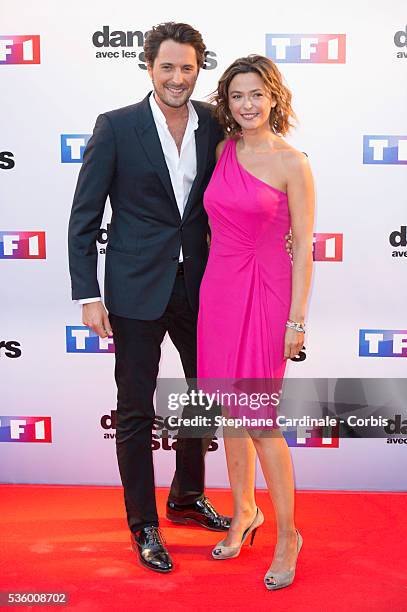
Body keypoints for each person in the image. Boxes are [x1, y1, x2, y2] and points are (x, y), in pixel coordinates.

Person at [67, 22, 233, 574]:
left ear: (198, 69)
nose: (178, 78)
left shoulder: (216, 122)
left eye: (187, 68)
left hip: (201, 287)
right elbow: (84, 218)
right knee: (136, 410)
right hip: (135, 290)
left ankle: (186, 496)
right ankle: (143, 524)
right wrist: (88, 294)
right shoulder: (115, 127)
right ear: (148, 67)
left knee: (202, 399)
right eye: (168, 67)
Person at [197, 55, 315, 590]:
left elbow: (304, 252)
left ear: (274, 97)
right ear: (228, 100)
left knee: (261, 421)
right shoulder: (223, 150)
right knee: (228, 412)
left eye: (257, 94)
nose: (247, 105)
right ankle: (244, 511)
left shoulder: (294, 162)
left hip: (266, 296)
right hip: (218, 293)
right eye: (238, 95)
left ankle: (288, 535)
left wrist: (297, 322)